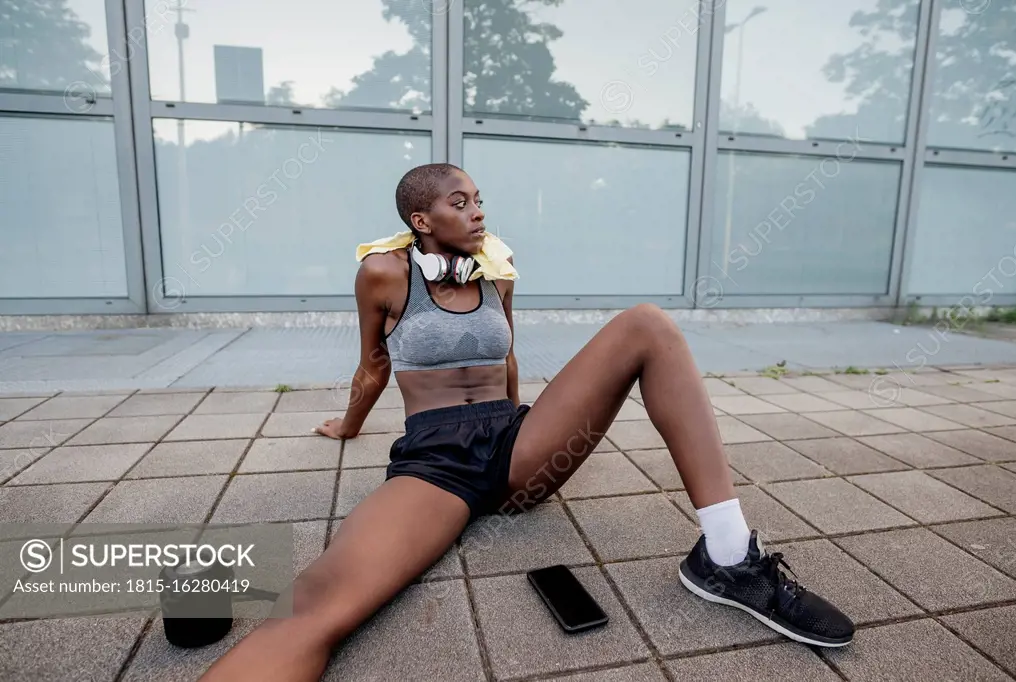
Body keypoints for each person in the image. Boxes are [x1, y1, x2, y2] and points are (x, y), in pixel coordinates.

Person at [200, 163, 854, 681]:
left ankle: (728, 555)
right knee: (317, 607)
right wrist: (349, 425)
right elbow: (372, 364)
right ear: (420, 218)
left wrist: (534, 430)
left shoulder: (496, 272)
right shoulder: (381, 274)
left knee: (646, 324)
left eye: (479, 198)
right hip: (436, 464)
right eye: (460, 201)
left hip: (517, 446)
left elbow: (506, 355)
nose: (478, 210)